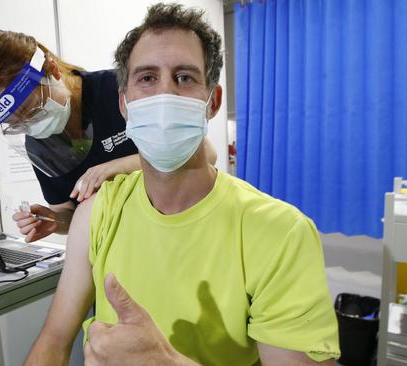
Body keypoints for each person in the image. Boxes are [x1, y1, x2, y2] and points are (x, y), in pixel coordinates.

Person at [25, 3, 340, 366]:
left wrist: (166, 362)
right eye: (146, 78)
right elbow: (52, 341)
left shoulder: (281, 233)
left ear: (213, 102)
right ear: (124, 105)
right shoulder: (98, 212)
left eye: (185, 78)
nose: (165, 96)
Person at [0, 30, 219, 242]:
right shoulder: (40, 146)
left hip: (181, 228)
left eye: (32, 109)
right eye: (17, 124)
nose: (31, 125)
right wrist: (53, 222)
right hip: (118, 249)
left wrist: (119, 166)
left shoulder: (117, 90)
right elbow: (68, 212)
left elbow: (207, 154)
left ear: (51, 69)